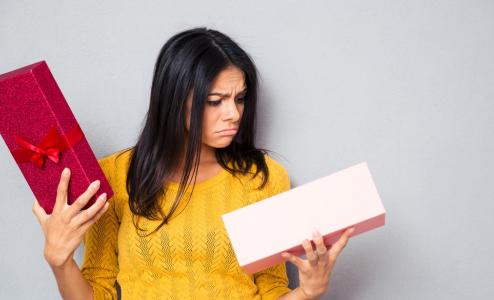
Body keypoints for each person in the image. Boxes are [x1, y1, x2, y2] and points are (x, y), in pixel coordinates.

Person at [32, 27, 354, 300]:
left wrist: (307, 292)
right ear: (174, 100)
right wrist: (60, 263)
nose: (234, 114)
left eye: (239, 98)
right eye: (215, 101)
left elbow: (271, 290)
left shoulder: (264, 179)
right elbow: (98, 291)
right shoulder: (115, 176)